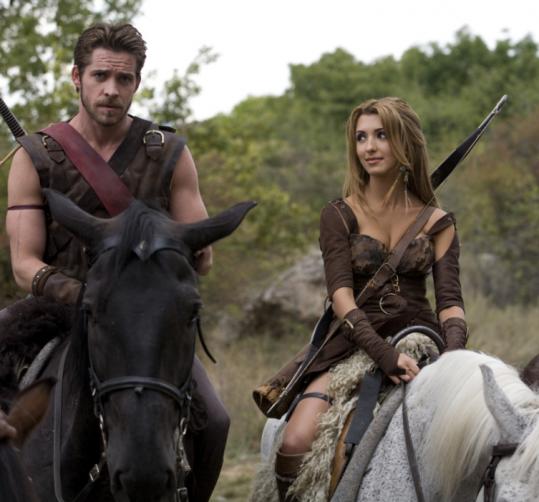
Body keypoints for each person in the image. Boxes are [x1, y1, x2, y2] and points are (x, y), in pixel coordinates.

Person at [3, 22, 227, 502]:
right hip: (56, 313)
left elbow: (203, 261)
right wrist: (85, 294)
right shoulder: (35, 156)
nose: (111, 89)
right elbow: (24, 263)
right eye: (100, 76)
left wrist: (189, 251)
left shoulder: (168, 153)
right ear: (76, 77)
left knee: (215, 421)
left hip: (147, 320)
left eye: (124, 79)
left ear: (137, 83)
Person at [268, 97, 468, 500]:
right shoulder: (339, 213)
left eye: (382, 136)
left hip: (422, 339)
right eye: (361, 138)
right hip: (353, 341)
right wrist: (382, 353)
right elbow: (341, 296)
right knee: (295, 441)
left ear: (405, 142)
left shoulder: (437, 221)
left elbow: (450, 301)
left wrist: (453, 358)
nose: (369, 147)